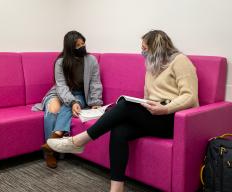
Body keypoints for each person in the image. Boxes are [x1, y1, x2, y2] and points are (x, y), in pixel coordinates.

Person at [47, 30, 199, 192]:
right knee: (119, 130)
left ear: (157, 48)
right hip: (155, 117)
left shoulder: (180, 61)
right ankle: (116, 188)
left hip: (173, 120)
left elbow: (190, 96)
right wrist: (146, 105)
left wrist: (165, 108)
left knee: (125, 105)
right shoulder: (152, 66)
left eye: (145, 48)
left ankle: (79, 141)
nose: (142, 52)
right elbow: (150, 96)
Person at [38, 31, 103, 169]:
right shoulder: (60, 62)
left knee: (72, 106)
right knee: (54, 109)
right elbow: (61, 86)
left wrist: (96, 102)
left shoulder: (91, 60)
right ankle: (51, 153)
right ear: (69, 47)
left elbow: (95, 83)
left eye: (83, 43)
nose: (82, 47)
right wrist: (72, 102)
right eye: (77, 45)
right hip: (58, 92)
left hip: (79, 94)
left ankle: (51, 145)